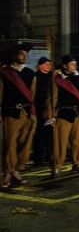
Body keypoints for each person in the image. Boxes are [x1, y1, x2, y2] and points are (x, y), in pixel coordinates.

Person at [47, 55, 79, 178]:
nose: (75, 66)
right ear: (65, 66)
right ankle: (56, 167)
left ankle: (77, 163)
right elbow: (52, 99)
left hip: (78, 114)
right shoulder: (57, 79)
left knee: (78, 141)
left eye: (75, 64)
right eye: (72, 64)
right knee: (60, 143)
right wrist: (51, 116)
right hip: (63, 114)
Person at [0, 43, 36, 188]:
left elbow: (32, 95)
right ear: (14, 56)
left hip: (26, 113)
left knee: (24, 144)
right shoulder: (4, 73)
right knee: (10, 144)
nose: (25, 57)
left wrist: (33, 113)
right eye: (22, 54)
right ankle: (8, 173)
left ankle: (15, 170)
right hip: (11, 113)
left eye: (26, 54)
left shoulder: (30, 73)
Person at [32, 56, 54, 167]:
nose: (49, 66)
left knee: (50, 134)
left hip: (50, 109)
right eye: (46, 64)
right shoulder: (36, 77)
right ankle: (38, 158)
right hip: (39, 108)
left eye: (50, 64)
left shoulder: (52, 76)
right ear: (41, 66)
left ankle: (50, 156)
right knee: (39, 134)